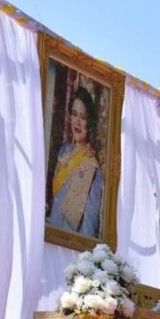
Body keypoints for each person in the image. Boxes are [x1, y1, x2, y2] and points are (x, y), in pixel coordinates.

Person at [48, 85, 104, 238]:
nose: (77, 122)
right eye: (74, 114)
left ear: (90, 123)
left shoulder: (92, 169)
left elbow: (89, 227)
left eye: (83, 117)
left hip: (68, 244)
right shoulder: (64, 151)